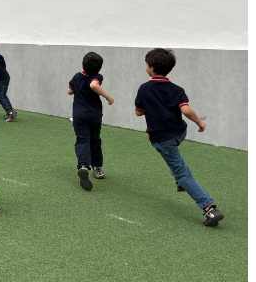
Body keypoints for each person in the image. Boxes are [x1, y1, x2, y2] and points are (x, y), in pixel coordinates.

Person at [135, 48, 224, 227]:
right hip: (179, 133)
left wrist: (151, 109)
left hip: (162, 139)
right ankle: (181, 182)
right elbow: (185, 109)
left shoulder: (144, 89)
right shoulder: (177, 89)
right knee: (175, 160)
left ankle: (209, 208)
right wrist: (199, 122)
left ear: (150, 67)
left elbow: (138, 112)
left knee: (182, 173)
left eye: (146, 64)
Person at [67, 52, 114, 191]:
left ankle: (83, 166)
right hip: (94, 115)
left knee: (82, 140)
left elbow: (69, 91)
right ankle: (97, 168)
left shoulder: (76, 76)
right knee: (95, 140)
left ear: (83, 64)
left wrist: (77, 89)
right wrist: (108, 97)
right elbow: (94, 85)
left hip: (79, 115)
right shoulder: (97, 77)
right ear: (99, 68)